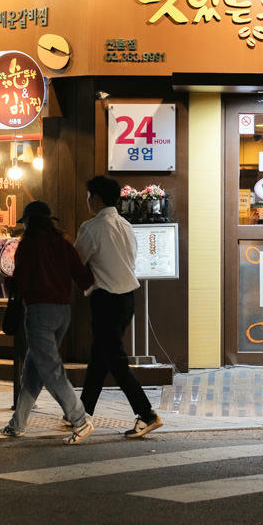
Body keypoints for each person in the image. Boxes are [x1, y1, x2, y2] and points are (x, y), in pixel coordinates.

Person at [75, 174, 163, 438]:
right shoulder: (125, 225)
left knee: (114, 360)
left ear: (97, 198)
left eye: (89, 196)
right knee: (100, 359)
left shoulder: (92, 228)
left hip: (106, 299)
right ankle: (81, 413)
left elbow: (77, 261)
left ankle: (147, 414)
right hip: (127, 299)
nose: (88, 200)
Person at [3, 200, 96, 443]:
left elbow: (21, 283)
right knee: (35, 370)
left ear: (30, 223)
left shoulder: (28, 247)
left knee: (51, 370)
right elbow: (85, 278)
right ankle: (17, 424)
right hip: (63, 312)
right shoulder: (64, 245)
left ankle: (80, 420)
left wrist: (4, 280)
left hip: (38, 313)